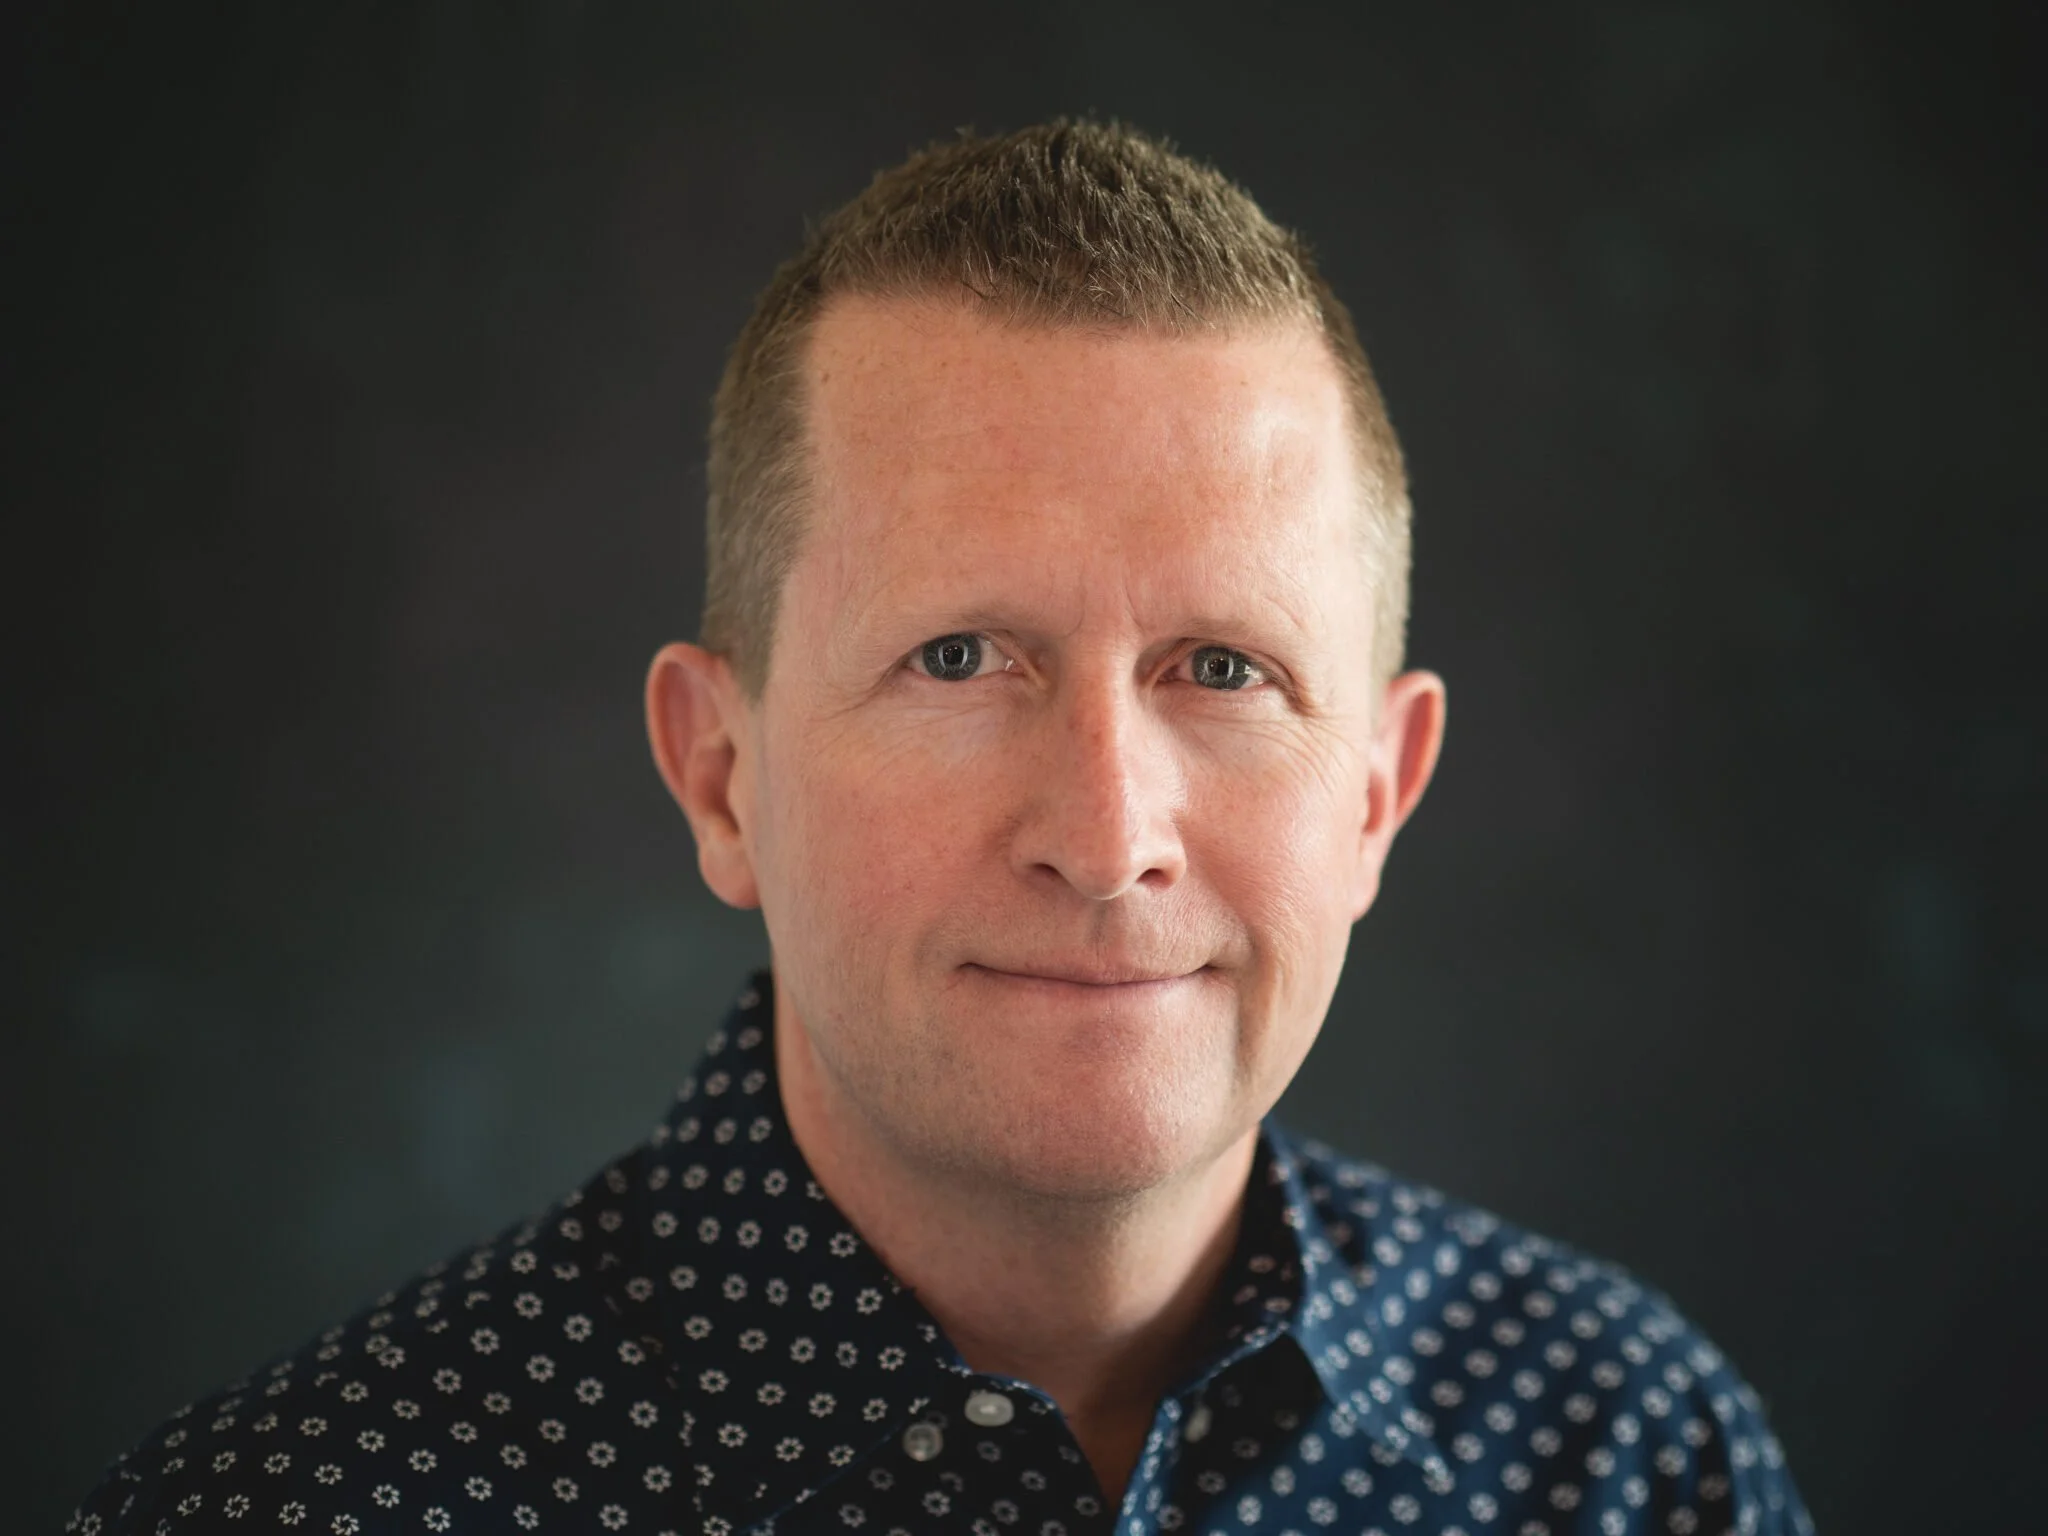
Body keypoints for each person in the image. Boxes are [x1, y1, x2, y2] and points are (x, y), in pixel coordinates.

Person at [70, 118, 1811, 1536]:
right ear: (719, 774)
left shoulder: (1626, 1461)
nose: (1108, 831)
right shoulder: (307, 1508)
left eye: (1223, 666)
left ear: (1377, 796)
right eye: (961, 657)